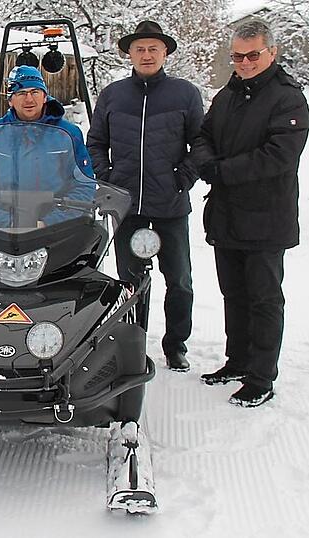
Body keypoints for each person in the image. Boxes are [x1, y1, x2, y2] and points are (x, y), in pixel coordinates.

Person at [191, 20, 309, 407]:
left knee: (263, 299)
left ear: (271, 53)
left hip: (265, 217)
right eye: (237, 56)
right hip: (226, 214)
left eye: (252, 55)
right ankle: (237, 360)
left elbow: (279, 156)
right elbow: (203, 135)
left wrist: (223, 171)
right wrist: (207, 163)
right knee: (233, 294)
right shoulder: (228, 94)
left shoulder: (287, 98)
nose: (244, 62)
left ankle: (261, 376)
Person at [87, 21, 203, 373]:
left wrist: (182, 177)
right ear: (129, 54)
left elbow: (201, 144)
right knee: (129, 282)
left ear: (165, 53)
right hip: (126, 207)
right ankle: (133, 343)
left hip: (169, 205)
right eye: (140, 49)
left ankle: (175, 345)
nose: (147, 54)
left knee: (179, 280)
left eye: (154, 48)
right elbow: (95, 143)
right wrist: (107, 178)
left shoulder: (185, 94)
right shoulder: (113, 95)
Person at [0, 65, 95, 227]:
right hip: (4, 230)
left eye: (35, 92)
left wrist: (50, 222)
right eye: (21, 93)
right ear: (10, 100)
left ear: (44, 96)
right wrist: (8, 222)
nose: (29, 99)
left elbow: (84, 184)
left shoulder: (68, 134)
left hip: (59, 228)